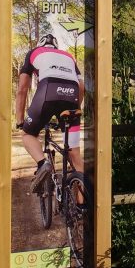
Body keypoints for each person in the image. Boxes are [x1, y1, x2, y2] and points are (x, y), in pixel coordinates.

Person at [15, 34, 85, 191]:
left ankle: (42, 164)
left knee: (28, 134)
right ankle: (83, 203)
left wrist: (20, 120)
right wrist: (74, 109)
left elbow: (22, 89)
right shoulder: (69, 56)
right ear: (56, 46)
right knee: (74, 154)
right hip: (71, 95)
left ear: (40, 45)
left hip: (48, 92)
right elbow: (81, 87)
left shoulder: (33, 52)